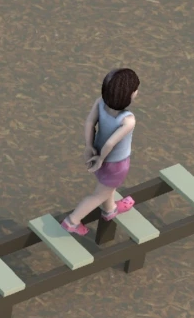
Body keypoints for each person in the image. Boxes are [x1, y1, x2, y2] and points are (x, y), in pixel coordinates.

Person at [60, 67, 140, 235]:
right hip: (115, 164)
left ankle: (110, 210)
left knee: (106, 188)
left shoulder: (100, 103)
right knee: (99, 195)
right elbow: (111, 143)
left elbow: (89, 123)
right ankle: (72, 221)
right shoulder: (128, 120)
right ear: (130, 95)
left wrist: (89, 147)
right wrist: (102, 159)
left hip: (97, 153)